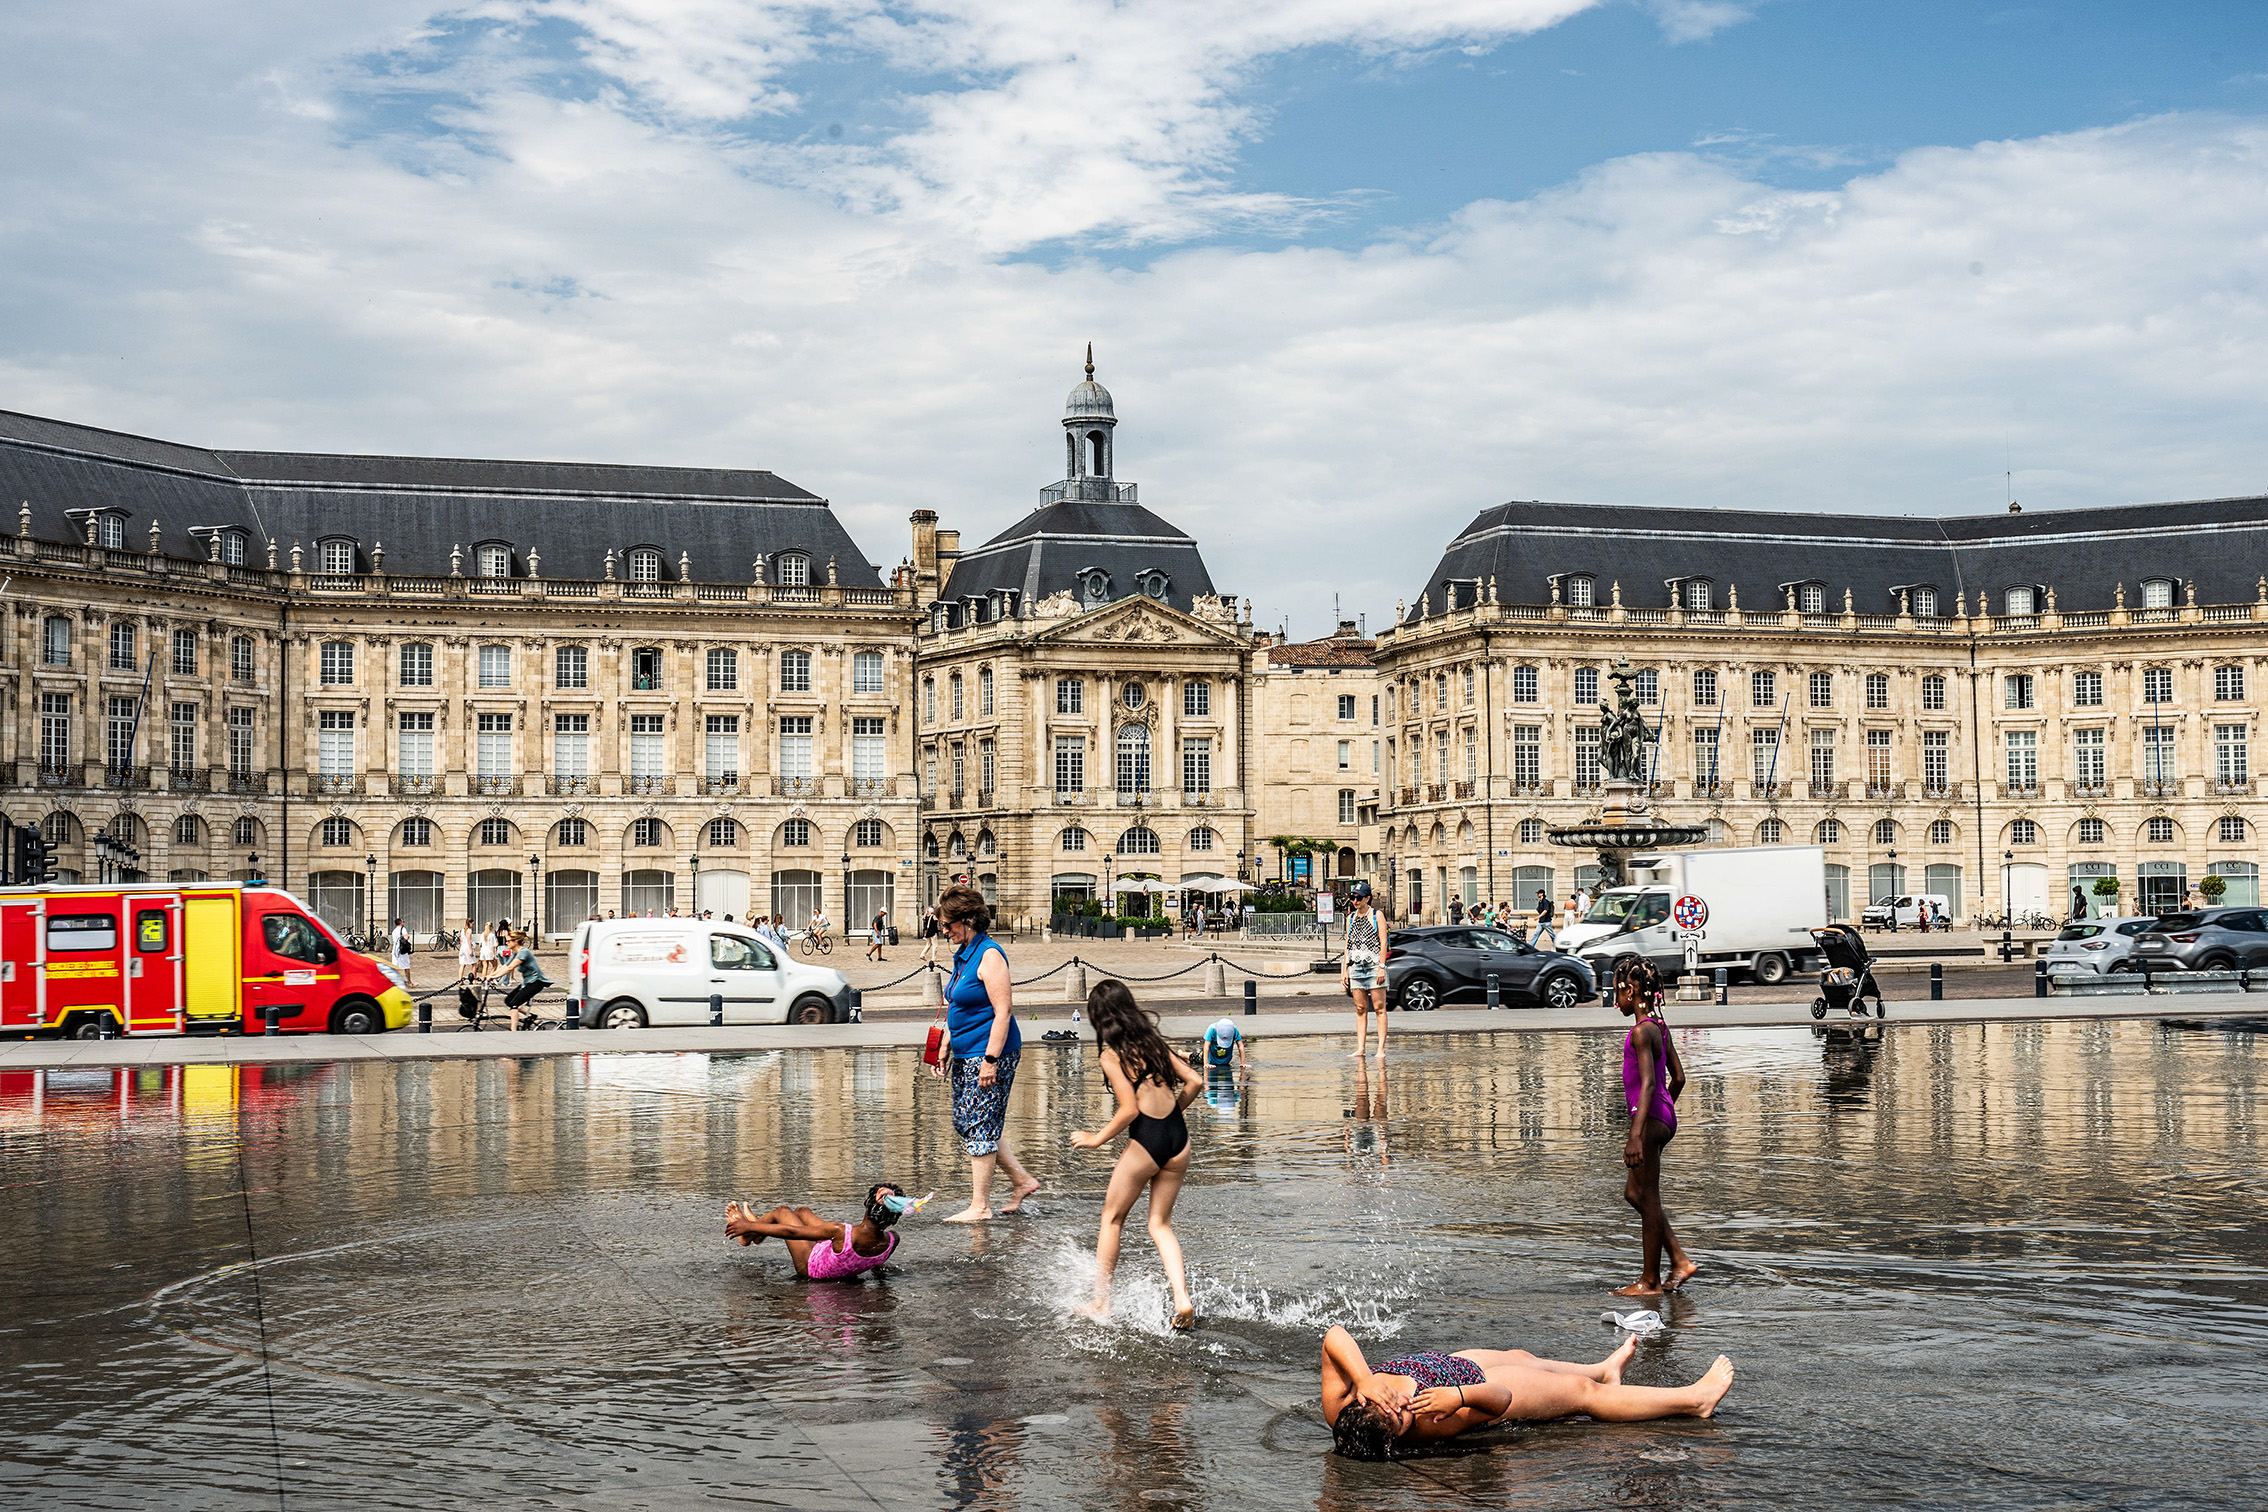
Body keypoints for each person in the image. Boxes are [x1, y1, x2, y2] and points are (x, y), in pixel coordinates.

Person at [1320, 1326, 1733, 1459]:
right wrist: (1459, 1398)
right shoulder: (1429, 1422)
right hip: (1471, 1387)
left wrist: (1365, 1377)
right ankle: (1694, 1400)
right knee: (1581, 1394)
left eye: (1390, 1404)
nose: (1404, 1406)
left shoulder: (1339, 1402)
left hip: (1446, 1364)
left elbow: (1334, 1336)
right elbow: (1500, 1399)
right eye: (1401, 1419)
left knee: (1522, 1355)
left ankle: (1606, 1369)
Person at [1069, 980, 1207, 1328]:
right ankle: (1182, 1299)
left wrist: (1097, 1138)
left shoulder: (1111, 1054)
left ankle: (1102, 1302)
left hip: (1148, 1138)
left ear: (1100, 1019)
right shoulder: (1154, 1042)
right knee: (1160, 1224)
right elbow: (1195, 1081)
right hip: (1179, 1139)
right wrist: (1176, 1111)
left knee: (1112, 1218)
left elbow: (1129, 1109)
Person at [931, 885, 1041, 1222]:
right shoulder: (964, 952)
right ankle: (1022, 1180)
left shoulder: (990, 955)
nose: (944, 929)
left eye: (948, 924)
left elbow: (1003, 1011)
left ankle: (981, 1206)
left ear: (967, 920)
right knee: (966, 1122)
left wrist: (990, 1061)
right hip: (966, 1049)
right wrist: (947, 1042)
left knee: (979, 1123)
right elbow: (959, 1004)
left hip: (990, 1052)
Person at [1612, 956, 1695, 1297]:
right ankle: (1679, 1259)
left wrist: (1637, 1133)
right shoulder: (1660, 1027)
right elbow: (1678, 1078)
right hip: (1661, 1115)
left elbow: (1647, 1083)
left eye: (1616, 993)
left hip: (1648, 1119)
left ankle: (1650, 1281)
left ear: (1631, 992)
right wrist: (1664, 1112)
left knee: (1649, 1200)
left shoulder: (1640, 1032)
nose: (1614, 1000)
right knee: (1635, 1193)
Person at [724, 1184, 929, 1280]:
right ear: (894, 1218)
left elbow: (792, 1233)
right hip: (837, 1258)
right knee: (802, 1212)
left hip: (810, 1267)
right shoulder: (892, 1240)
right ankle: (757, 1235)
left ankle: (749, 1233)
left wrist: (746, 1225)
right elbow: (877, 1263)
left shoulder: (842, 1231)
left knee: (783, 1212)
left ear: (866, 1204)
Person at [1340, 879, 1389, 1059]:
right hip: (1356, 966)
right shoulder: (1350, 918)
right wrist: (1344, 970)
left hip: (1374, 964)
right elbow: (1348, 945)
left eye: (1358, 898)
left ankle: (1380, 1049)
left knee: (1379, 1007)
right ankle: (1361, 1048)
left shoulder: (1377, 915)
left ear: (1367, 898)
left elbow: (1384, 942)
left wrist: (1381, 967)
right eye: (1352, 898)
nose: (1355, 901)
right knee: (1360, 1008)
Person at [501, 929, 553, 1030]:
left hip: (536, 982)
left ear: (516, 941)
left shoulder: (524, 952)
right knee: (508, 1000)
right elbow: (504, 966)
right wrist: (489, 976)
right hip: (527, 982)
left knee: (514, 1004)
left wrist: (493, 977)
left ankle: (513, 1032)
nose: (506, 943)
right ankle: (530, 1016)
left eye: (508, 941)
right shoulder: (516, 953)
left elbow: (510, 968)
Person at [388, 916, 414, 986]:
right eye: (403, 922)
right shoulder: (403, 929)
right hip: (402, 950)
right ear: (401, 923)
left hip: (395, 950)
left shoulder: (394, 930)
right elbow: (405, 937)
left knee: (395, 966)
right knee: (406, 966)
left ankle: (394, 982)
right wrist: (407, 937)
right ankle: (409, 982)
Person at [457, 918, 477, 984]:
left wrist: (460, 948)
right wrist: (471, 950)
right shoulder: (469, 930)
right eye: (472, 924)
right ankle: (474, 979)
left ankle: (460, 980)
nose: (472, 925)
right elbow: (469, 940)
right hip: (467, 947)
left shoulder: (462, 930)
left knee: (462, 964)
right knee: (474, 964)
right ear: (470, 923)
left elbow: (461, 940)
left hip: (462, 947)